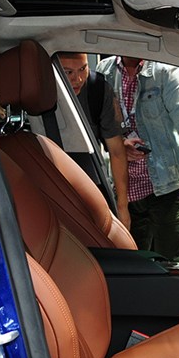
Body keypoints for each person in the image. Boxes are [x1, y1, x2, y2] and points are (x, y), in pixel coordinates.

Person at [95, 56, 179, 260]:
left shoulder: (165, 72)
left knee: (169, 261)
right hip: (124, 187)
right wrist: (119, 146)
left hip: (166, 183)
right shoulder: (104, 71)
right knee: (131, 262)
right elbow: (98, 126)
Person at [57, 53, 130, 230]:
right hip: (51, 180)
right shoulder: (37, 89)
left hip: (89, 180)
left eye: (83, 69)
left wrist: (122, 206)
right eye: (68, 72)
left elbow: (117, 151)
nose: (78, 79)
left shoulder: (98, 89)